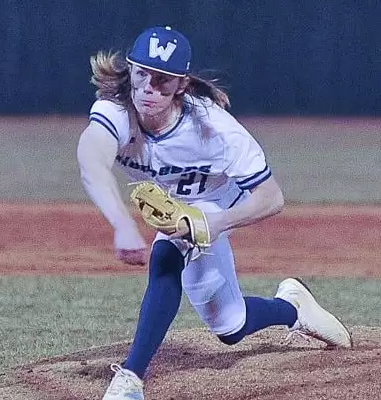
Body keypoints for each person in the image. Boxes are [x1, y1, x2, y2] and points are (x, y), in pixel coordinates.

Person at [77, 25, 352, 400]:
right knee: (230, 326)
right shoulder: (116, 110)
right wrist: (121, 223)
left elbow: (271, 197)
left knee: (168, 252)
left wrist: (214, 222)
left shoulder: (215, 130)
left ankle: (130, 379)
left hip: (219, 201)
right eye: (141, 74)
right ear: (130, 70)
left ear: (182, 85)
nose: (148, 88)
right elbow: (91, 161)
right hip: (179, 203)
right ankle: (293, 307)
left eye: (162, 80)